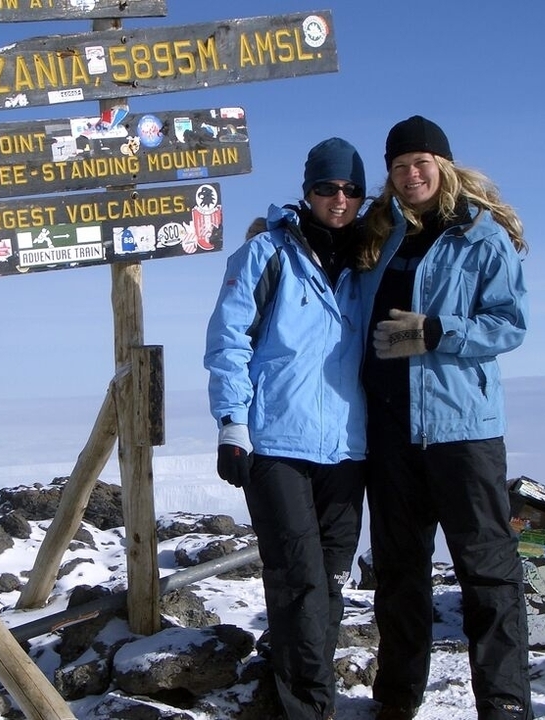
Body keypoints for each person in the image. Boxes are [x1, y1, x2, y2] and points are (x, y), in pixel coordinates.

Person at [357, 115, 533, 720]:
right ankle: (398, 699)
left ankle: (505, 702)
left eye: (422, 162)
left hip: (463, 432)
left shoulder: (481, 237)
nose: (411, 174)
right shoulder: (380, 236)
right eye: (400, 165)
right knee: (400, 575)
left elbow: (509, 323)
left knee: (486, 571)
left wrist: (438, 331)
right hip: (391, 432)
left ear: (444, 166)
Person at [204, 137, 368, 720]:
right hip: (276, 445)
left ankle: (297, 686)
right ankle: (310, 709)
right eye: (327, 187)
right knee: (298, 580)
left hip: (348, 451)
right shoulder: (265, 254)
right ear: (307, 191)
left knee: (327, 584)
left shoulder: (367, 262)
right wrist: (231, 425)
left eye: (351, 189)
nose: (339, 198)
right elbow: (228, 343)